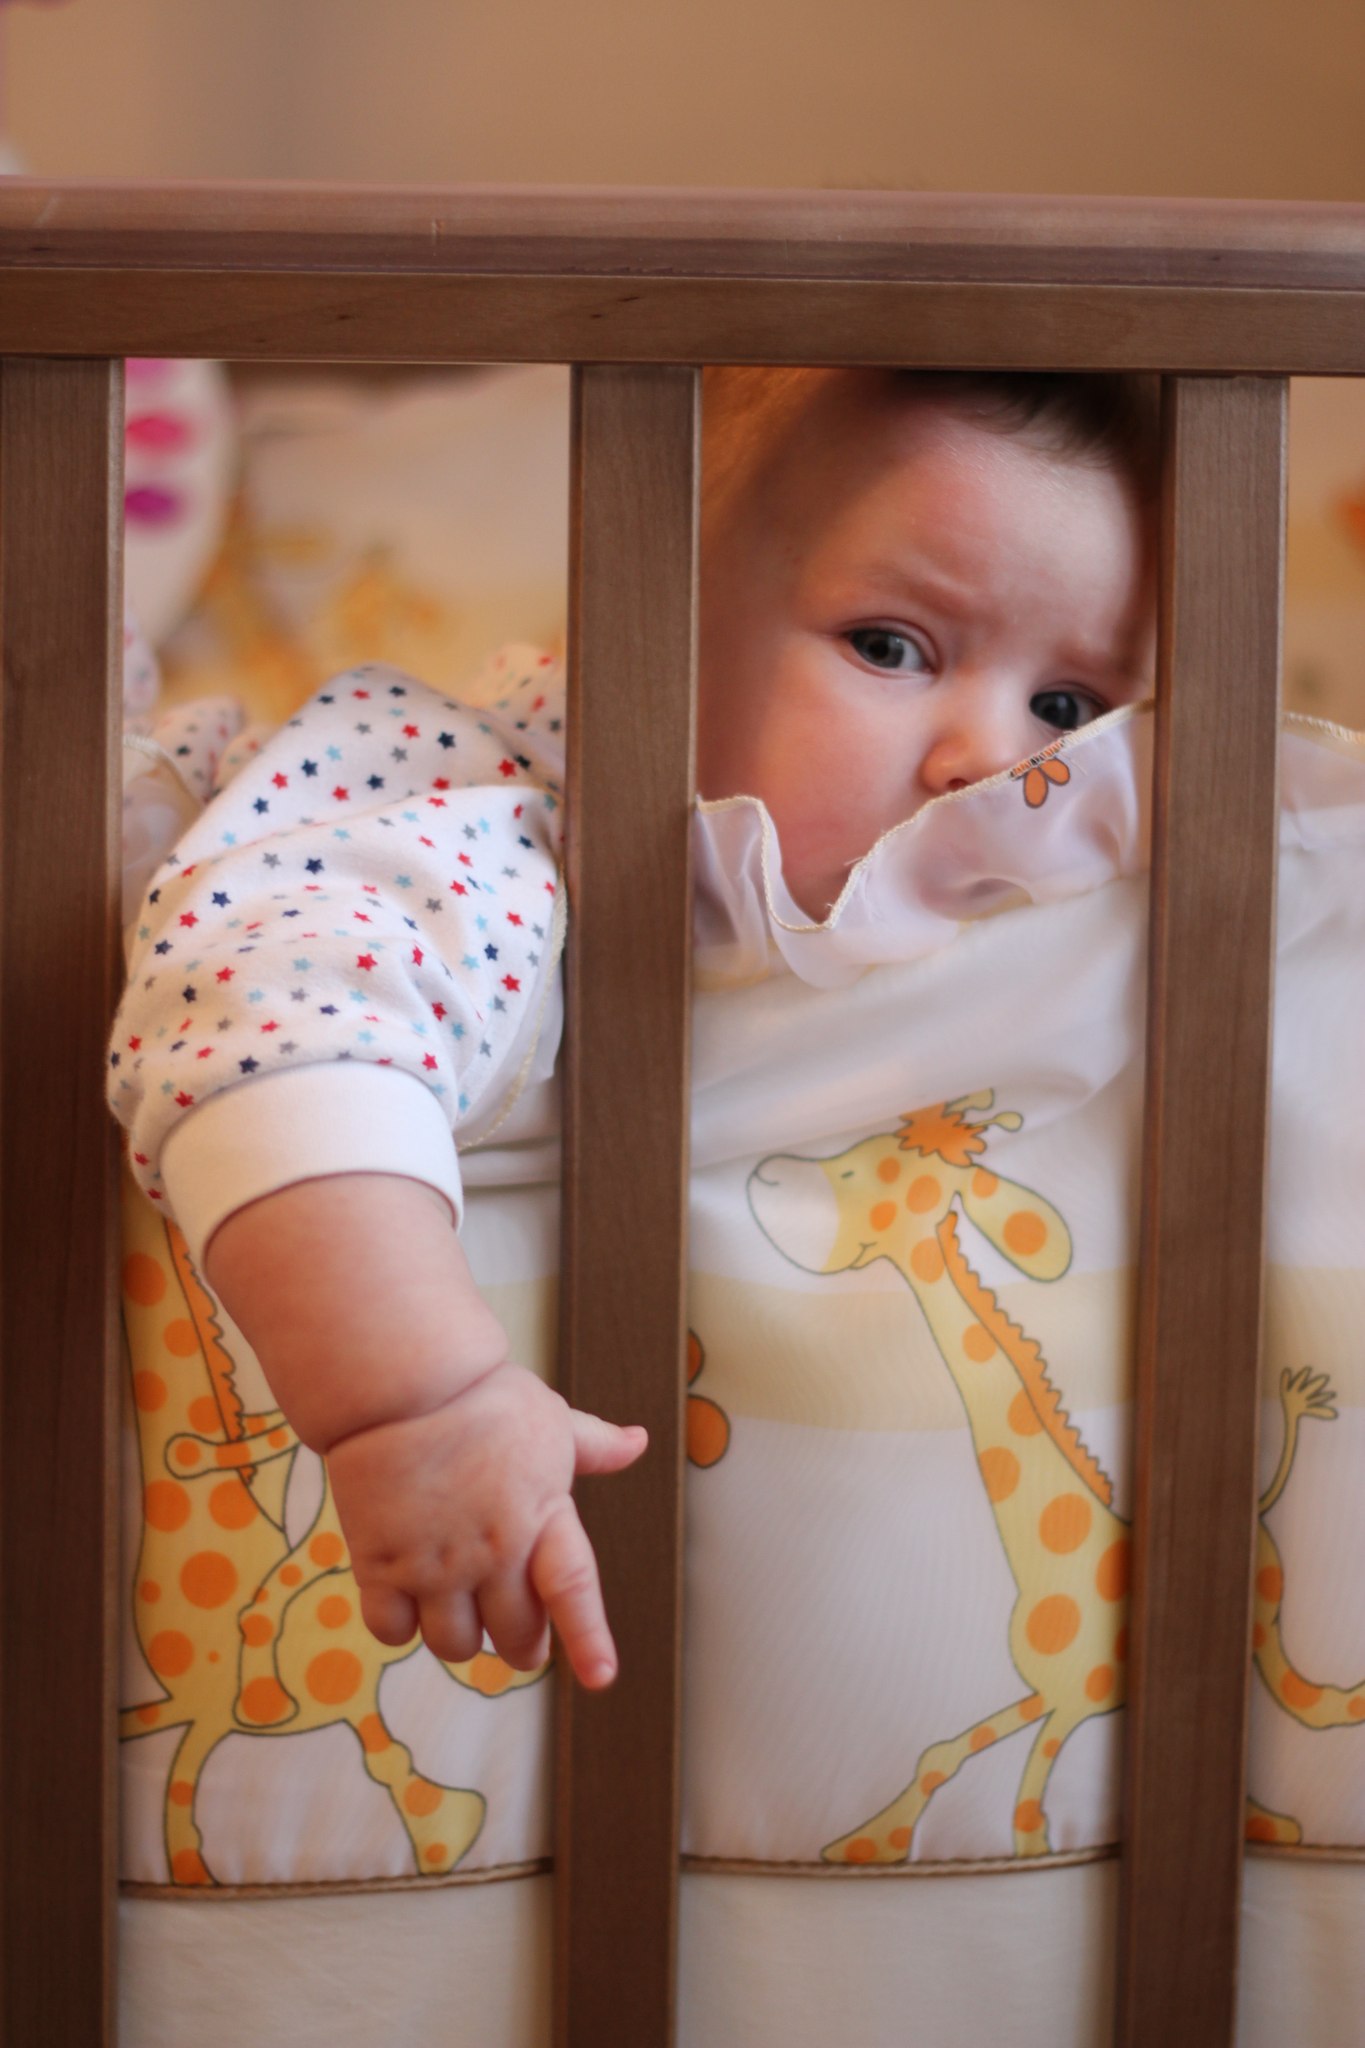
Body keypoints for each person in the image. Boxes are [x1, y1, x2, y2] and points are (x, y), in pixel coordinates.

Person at [108, 366, 1156, 1701]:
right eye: (890, 646)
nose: (987, 759)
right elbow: (275, 1019)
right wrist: (421, 1401)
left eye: (1067, 708)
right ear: (650, 611)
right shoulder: (483, 823)